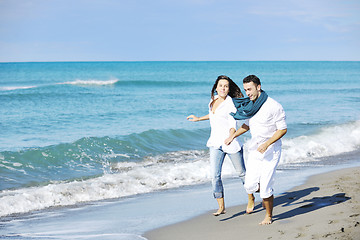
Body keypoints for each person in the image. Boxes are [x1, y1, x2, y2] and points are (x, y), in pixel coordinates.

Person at [225, 75, 287, 225]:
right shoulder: (252, 105)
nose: (248, 93)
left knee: (265, 187)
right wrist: (233, 136)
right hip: (255, 149)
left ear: (258, 87)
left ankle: (268, 216)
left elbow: (282, 129)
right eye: (246, 90)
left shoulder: (274, 106)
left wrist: (267, 143)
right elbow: (247, 125)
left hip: (271, 150)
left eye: (250, 89)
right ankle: (257, 193)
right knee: (249, 185)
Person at [187, 75, 247, 216]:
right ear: (216, 87)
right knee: (215, 176)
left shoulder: (231, 103)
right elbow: (213, 115)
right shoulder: (212, 100)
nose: (223, 88)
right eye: (221, 85)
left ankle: (252, 197)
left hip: (230, 143)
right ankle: (221, 207)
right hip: (215, 143)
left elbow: (233, 123)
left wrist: (231, 135)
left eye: (226, 86)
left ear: (228, 88)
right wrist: (198, 118)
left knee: (242, 173)